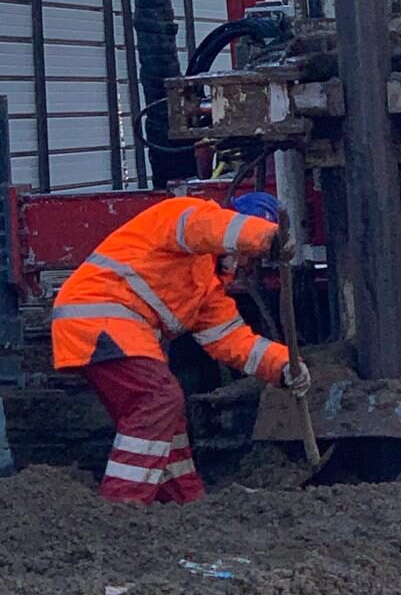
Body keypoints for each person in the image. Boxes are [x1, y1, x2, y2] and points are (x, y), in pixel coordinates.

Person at [51, 191, 310, 505]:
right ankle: (121, 503)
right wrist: (267, 237)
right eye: (248, 254)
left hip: (113, 324)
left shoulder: (208, 288)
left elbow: (232, 341)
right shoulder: (189, 214)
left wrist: (284, 366)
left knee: (166, 419)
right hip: (100, 316)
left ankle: (186, 502)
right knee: (159, 398)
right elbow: (214, 227)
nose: (247, 263)